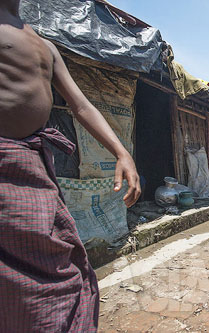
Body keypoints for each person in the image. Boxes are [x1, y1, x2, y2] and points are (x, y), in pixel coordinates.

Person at [0, 1, 141, 331]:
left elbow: (81, 105)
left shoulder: (45, 46)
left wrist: (122, 153)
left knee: (59, 264)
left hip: (32, 166)